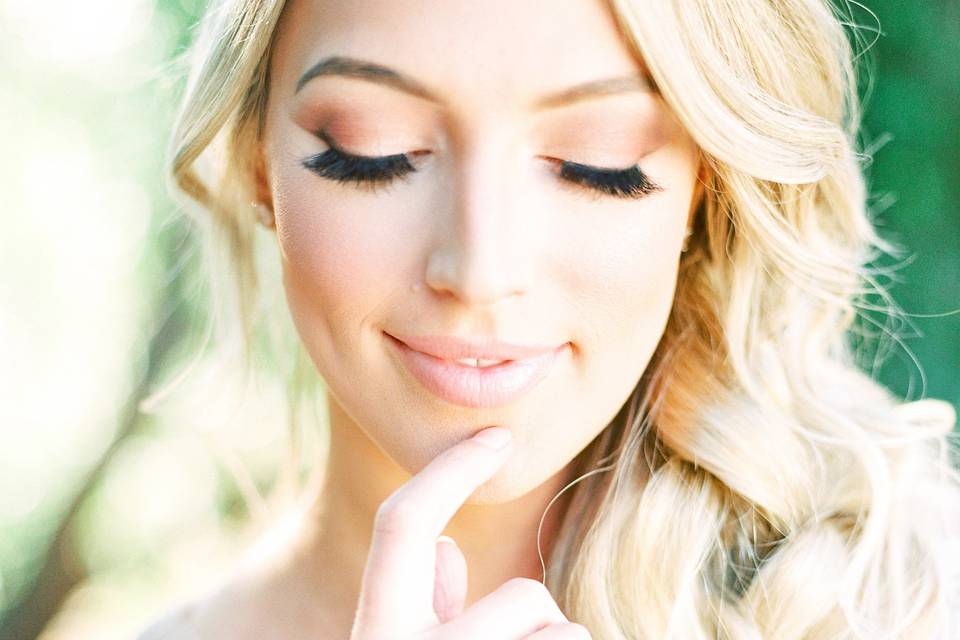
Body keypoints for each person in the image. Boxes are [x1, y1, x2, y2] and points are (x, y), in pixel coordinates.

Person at [139, 0, 960, 637]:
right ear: (257, 165)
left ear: (702, 192)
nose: (481, 273)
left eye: (595, 164)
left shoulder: (903, 602)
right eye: (373, 149)